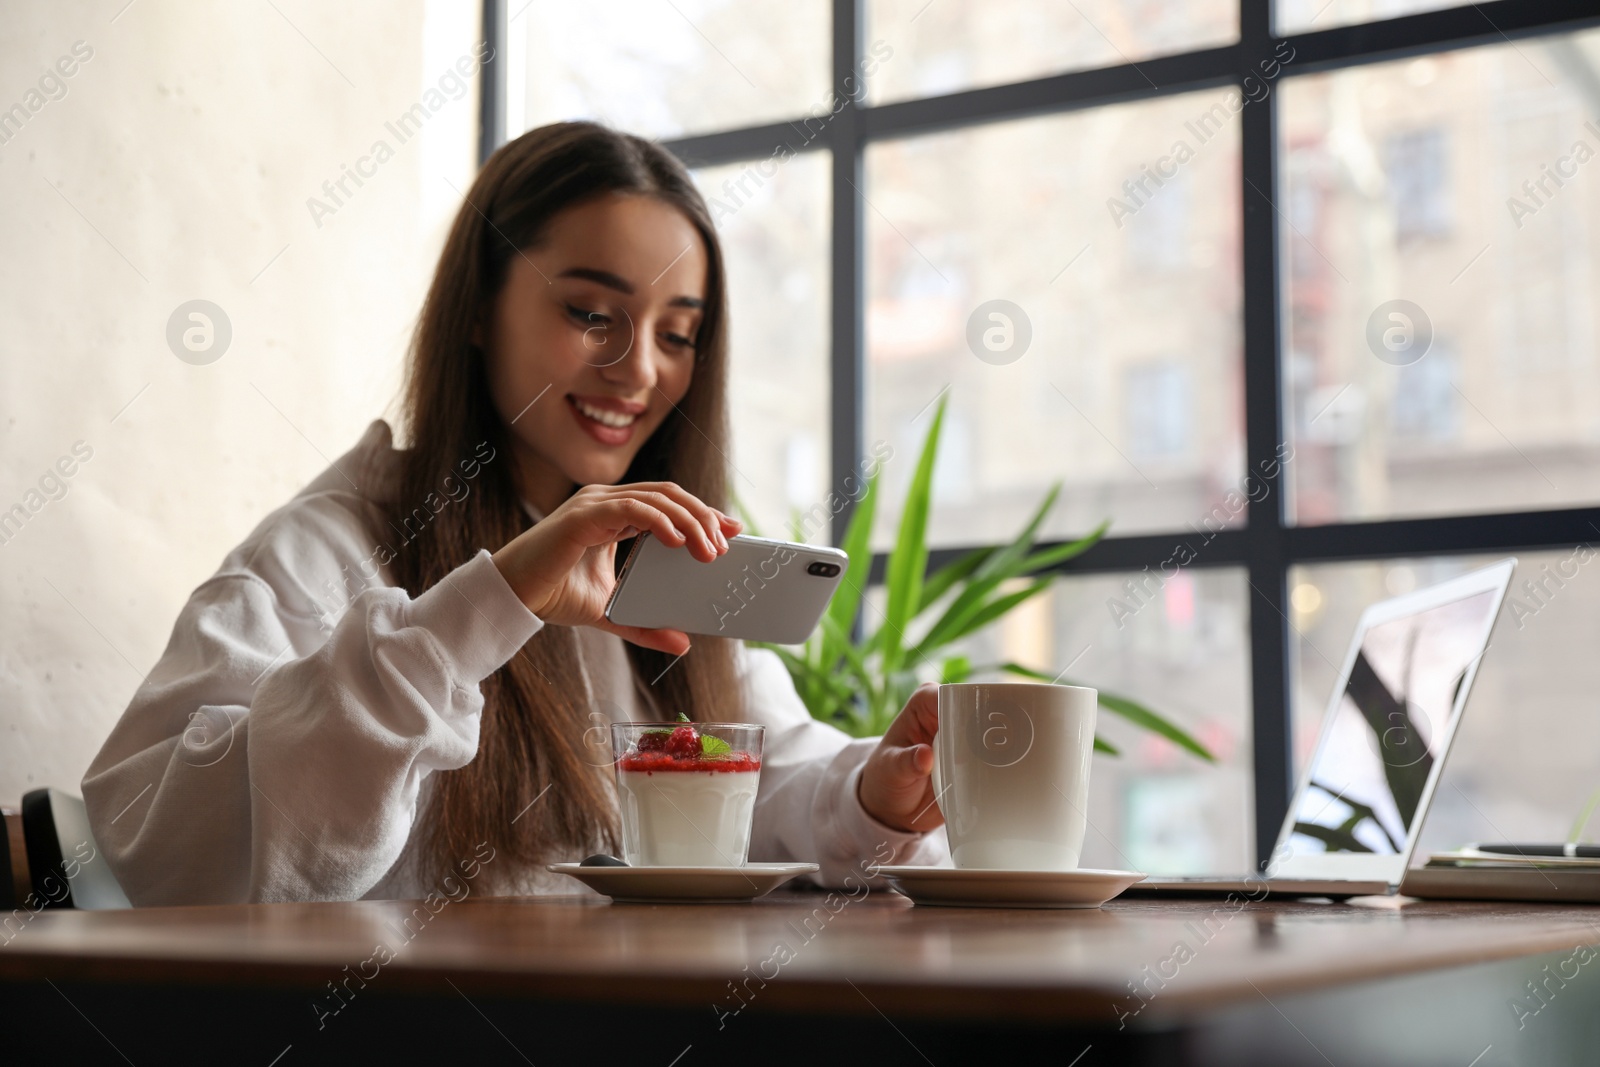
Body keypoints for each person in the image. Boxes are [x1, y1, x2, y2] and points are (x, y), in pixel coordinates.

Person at [82, 122, 947, 904]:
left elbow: (771, 777)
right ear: (479, 311)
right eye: (590, 313)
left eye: (677, 334)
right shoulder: (323, 553)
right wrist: (484, 609)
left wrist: (879, 790)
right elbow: (177, 859)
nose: (638, 369)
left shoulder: (659, 562)